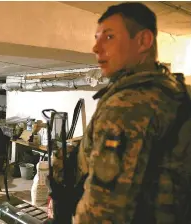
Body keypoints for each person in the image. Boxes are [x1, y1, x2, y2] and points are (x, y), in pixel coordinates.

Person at [74, 2, 189, 223]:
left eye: (108, 37)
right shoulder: (171, 91)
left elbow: (103, 213)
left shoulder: (127, 105)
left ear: (143, 41)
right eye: (96, 38)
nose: (95, 48)